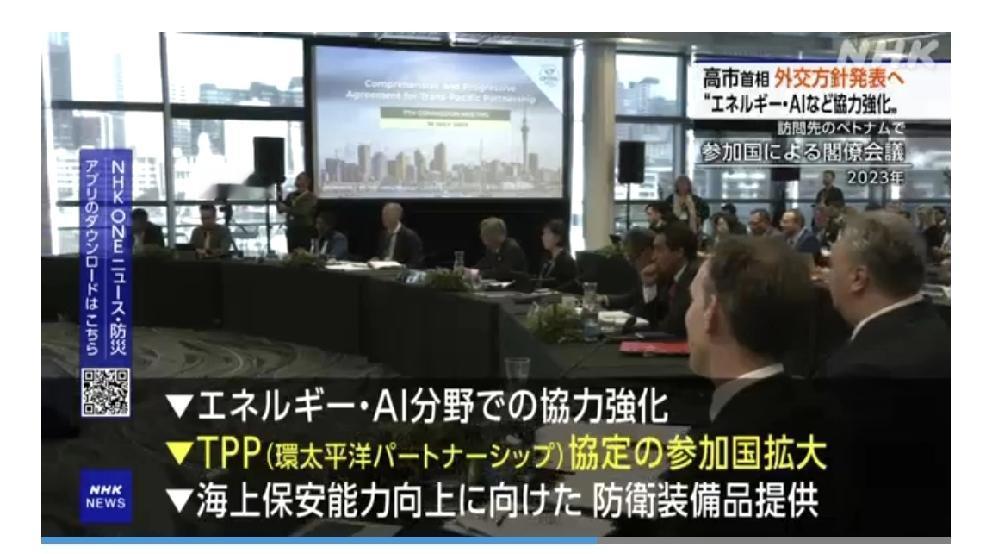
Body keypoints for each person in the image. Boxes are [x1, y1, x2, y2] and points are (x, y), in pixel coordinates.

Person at [613, 237, 821, 536]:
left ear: (711, 313)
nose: (688, 316)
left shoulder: (704, 472)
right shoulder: (826, 414)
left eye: (694, 301)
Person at [825, 211, 950, 378]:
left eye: (832, 267)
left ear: (858, 279)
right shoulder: (940, 333)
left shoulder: (859, 370)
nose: (827, 276)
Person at [640, 223, 700, 336]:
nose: (653, 257)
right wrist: (649, 286)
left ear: (679, 252)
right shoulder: (668, 276)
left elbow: (671, 328)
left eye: (659, 250)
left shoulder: (695, 279)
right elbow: (651, 320)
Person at [602, 227, 656, 310]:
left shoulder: (661, 275)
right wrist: (605, 299)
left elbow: (648, 310)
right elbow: (633, 297)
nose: (631, 264)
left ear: (646, 252)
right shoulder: (644, 271)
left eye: (632, 259)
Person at [277, 172, 318, 253]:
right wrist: (278, 196)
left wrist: (287, 209)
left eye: (299, 178)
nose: (296, 181)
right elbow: (282, 208)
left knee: (303, 254)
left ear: (307, 182)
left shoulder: (311, 197)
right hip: (292, 229)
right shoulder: (291, 195)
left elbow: (303, 211)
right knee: (292, 253)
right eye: (296, 178)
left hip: (304, 230)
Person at [374, 202, 424, 268]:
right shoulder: (383, 235)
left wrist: (402, 267)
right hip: (383, 271)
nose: (383, 218)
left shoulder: (410, 236)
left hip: (400, 272)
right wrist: (376, 259)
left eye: (387, 214)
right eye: (382, 214)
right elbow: (381, 256)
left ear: (398, 216)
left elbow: (416, 262)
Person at [537, 219, 577, 290]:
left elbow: (565, 288)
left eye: (547, 233)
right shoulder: (547, 258)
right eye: (543, 233)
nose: (543, 237)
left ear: (558, 237)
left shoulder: (566, 261)